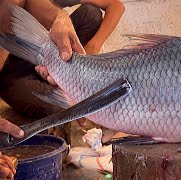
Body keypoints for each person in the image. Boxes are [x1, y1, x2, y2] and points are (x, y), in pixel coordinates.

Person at [0, 0, 124, 142]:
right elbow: (6, 15)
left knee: (91, 13)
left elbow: (116, 5)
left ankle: (65, 80)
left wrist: (61, 18)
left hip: (47, 57)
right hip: (13, 73)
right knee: (62, 109)